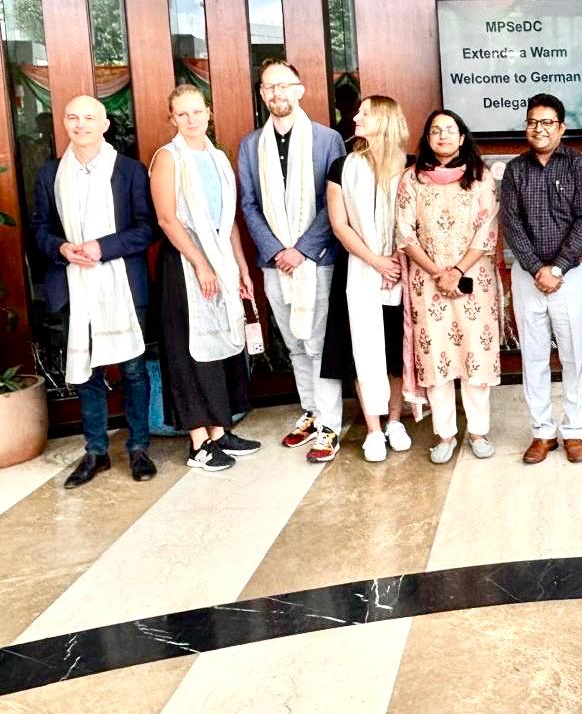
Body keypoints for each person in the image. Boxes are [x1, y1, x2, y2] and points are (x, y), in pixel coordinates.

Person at [31, 95, 158, 487]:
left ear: (105, 125)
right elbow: (39, 228)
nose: (80, 124)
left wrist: (104, 247)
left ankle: (138, 448)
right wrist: (60, 248)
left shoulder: (130, 170)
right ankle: (96, 452)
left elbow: (147, 228)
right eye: (73, 117)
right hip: (75, 284)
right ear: (64, 123)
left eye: (89, 117)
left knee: (133, 369)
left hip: (124, 286)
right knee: (87, 372)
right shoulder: (50, 173)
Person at [237, 58, 346, 463]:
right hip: (274, 262)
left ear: (300, 90)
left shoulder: (327, 139)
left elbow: (334, 202)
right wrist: (276, 250)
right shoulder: (251, 145)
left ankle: (330, 424)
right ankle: (311, 411)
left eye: (284, 85)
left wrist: (301, 249)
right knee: (294, 345)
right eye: (269, 87)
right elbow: (248, 204)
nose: (277, 93)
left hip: (317, 260)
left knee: (317, 344)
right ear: (262, 94)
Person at [151, 85, 260, 471]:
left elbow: (228, 222)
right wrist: (200, 264)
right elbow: (167, 219)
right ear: (172, 118)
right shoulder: (168, 157)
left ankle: (220, 431)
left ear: (208, 112)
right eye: (182, 114)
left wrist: (241, 268)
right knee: (189, 350)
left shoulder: (218, 158)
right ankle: (199, 442)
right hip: (184, 264)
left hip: (220, 260)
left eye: (197, 111)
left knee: (220, 347)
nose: (191, 119)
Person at [397, 109, 501, 463]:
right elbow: (405, 233)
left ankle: (478, 431)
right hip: (428, 284)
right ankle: (444, 435)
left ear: (462, 137)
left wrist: (456, 270)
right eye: (435, 130)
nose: (442, 136)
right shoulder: (412, 179)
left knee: (475, 355)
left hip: (473, 281)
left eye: (450, 130)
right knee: (436, 357)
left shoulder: (480, 176)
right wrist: (438, 272)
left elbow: (487, 229)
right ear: (427, 139)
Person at [500, 93, 582, 464]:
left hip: (571, 275)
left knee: (574, 357)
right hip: (528, 276)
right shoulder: (515, 170)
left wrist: (556, 268)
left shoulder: (580, 166)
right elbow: (511, 223)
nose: (538, 129)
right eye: (532, 122)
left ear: (561, 127)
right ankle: (542, 431)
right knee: (534, 356)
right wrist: (536, 268)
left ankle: (574, 431)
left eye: (546, 122)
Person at [320, 95, 413, 462]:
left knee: (395, 350)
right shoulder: (342, 167)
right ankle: (373, 430)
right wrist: (377, 262)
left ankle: (394, 422)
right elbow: (339, 225)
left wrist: (396, 263)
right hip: (359, 270)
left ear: (385, 120)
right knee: (363, 349)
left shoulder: (410, 167)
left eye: (365, 113)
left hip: (402, 270)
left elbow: (416, 222)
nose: (356, 117)